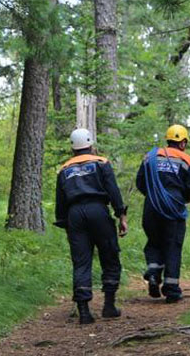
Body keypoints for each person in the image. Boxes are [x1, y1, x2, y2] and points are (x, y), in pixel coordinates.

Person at [54, 128, 128, 324]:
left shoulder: (64, 169)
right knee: (109, 255)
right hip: (98, 211)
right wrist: (121, 214)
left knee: (81, 261)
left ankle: (84, 311)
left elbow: (60, 201)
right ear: (91, 144)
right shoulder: (101, 163)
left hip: (75, 215)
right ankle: (109, 305)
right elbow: (113, 190)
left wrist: (65, 223)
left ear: (72, 148)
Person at [135, 124, 190, 303]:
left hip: (151, 205)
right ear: (183, 142)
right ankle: (171, 289)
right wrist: (180, 199)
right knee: (172, 245)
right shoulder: (187, 160)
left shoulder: (150, 157)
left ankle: (154, 273)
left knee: (154, 241)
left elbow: (140, 182)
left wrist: (152, 196)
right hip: (174, 206)